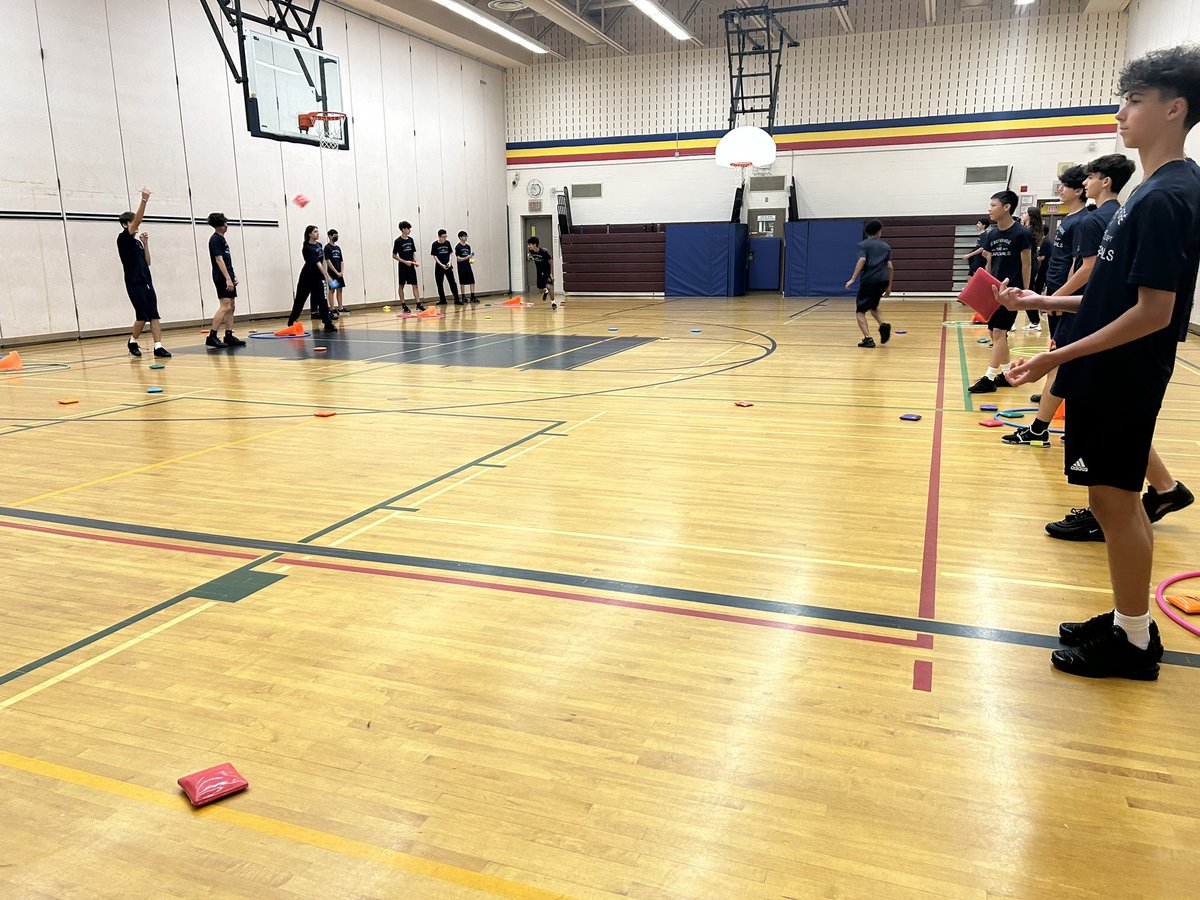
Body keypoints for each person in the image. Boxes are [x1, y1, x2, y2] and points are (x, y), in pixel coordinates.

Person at [999, 45, 1200, 679]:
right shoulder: (1150, 192)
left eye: (1134, 101)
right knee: (1118, 504)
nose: (1121, 112)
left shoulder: (1167, 197)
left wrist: (1055, 353)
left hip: (1121, 375)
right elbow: (1117, 293)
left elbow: (1153, 312)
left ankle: (1135, 643)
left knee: (1115, 505)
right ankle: (1126, 620)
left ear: (1175, 109)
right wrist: (1042, 298)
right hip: (1109, 372)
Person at [967, 190, 1031, 393]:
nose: (989, 209)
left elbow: (1027, 264)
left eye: (993, 205)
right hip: (995, 292)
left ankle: (989, 378)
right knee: (996, 333)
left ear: (1006, 207)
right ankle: (1005, 374)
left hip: (1011, 293)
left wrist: (1026, 293)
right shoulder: (991, 234)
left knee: (999, 331)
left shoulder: (1021, 233)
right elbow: (990, 263)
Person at [116, 187, 170, 358]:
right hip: (134, 283)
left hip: (147, 281)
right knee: (142, 316)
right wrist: (144, 200)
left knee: (154, 315)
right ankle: (132, 340)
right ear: (126, 224)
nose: (136, 225)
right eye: (132, 223)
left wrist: (145, 244)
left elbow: (148, 262)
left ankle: (158, 346)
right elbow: (138, 221)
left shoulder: (137, 243)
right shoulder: (123, 239)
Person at [843, 219, 893, 348]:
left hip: (870, 280)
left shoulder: (863, 245)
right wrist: (889, 286)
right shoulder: (886, 246)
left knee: (860, 311)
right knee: (873, 306)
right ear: (878, 232)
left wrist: (853, 278)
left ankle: (868, 338)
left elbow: (862, 259)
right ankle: (883, 325)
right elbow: (890, 266)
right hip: (883, 280)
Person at [204, 213, 245, 349]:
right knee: (225, 306)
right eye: (225, 224)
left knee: (231, 306)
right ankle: (212, 336)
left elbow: (227, 261)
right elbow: (219, 259)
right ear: (220, 225)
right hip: (221, 276)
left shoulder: (222, 239)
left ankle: (228, 335)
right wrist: (227, 278)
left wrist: (232, 276)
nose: (227, 226)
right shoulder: (215, 239)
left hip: (228, 274)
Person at [286, 225, 336, 333]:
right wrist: (327, 276)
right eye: (315, 232)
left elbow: (321, 261)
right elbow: (317, 263)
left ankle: (327, 322)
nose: (317, 233)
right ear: (309, 234)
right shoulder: (307, 247)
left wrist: (324, 276)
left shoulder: (319, 245)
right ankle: (291, 320)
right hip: (308, 276)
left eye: (318, 231)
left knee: (323, 300)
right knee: (300, 299)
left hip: (319, 277)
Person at [1020, 208, 1044, 331]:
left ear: (1030, 216)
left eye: (1025, 213)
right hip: (1030, 263)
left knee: (1027, 291)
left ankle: (1035, 321)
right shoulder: (1028, 230)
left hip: (1029, 264)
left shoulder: (1028, 232)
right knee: (1027, 291)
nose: (1022, 215)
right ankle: (1034, 320)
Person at [392, 221, 424, 314]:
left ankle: (418, 304)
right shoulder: (398, 241)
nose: (409, 230)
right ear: (403, 229)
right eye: (408, 228)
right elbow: (394, 255)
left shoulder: (411, 240)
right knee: (401, 285)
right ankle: (403, 305)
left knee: (415, 285)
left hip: (411, 266)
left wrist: (415, 261)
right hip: (403, 266)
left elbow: (413, 252)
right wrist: (405, 262)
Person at [430, 229, 461, 305]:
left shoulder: (447, 243)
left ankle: (456, 299)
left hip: (448, 266)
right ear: (439, 237)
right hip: (439, 267)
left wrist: (450, 262)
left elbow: (450, 253)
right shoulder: (435, 244)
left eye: (445, 236)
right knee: (439, 283)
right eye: (443, 237)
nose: (445, 238)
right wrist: (441, 265)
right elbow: (435, 256)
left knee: (452, 282)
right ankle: (442, 299)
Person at [528, 236, 556, 309]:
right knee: (540, 289)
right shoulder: (531, 251)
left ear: (535, 245)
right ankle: (545, 291)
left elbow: (551, 261)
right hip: (539, 271)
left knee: (549, 286)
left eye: (530, 244)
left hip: (546, 271)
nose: (529, 246)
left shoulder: (543, 252)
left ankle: (553, 303)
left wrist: (552, 273)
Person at [325, 229, 347, 317]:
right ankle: (332, 308)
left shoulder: (338, 248)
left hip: (339, 273)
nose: (336, 237)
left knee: (340, 290)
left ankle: (340, 307)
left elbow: (341, 260)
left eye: (337, 235)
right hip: (332, 273)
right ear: (330, 236)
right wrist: (335, 272)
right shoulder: (327, 247)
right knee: (332, 290)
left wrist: (341, 271)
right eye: (334, 235)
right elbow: (328, 261)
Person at [456, 231, 479, 304]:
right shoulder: (458, 247)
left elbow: (469, 257)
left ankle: (472, 296)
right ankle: (463, 297)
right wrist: (466, 257)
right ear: (460, 237)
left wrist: (471, 260)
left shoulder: (468, 247)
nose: (466, 237)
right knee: (462, 282)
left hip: (468, 266)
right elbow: (458, 259)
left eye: (466, 236)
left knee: (472, 281)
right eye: (464, 236)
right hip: (461, 267)